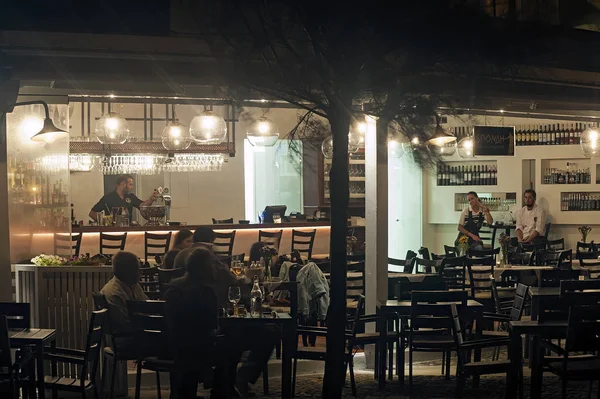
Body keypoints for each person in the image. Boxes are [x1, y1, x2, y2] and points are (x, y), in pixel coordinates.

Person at [165, 247, 226, 398]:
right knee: (230, 349)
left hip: (173, 347)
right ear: (206, 268)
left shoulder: (173, 287)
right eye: (213, 265)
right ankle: (221, 392)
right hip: (198, 348)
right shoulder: (206, 292)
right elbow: (211, 328)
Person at [100, 251, 148, 344]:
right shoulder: (114, 294)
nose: (141, 272)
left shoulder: (132, 285)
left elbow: (146, 305)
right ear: (128, 271)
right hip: (126, 340)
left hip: (134, 335)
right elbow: (125, 325)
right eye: (138, 269)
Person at [89, 174, 158, 223]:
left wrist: (151, 199)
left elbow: (143, 206)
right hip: (112, 232)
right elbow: (92, 213)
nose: (132, 187)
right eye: (130, 184)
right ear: (123, 184)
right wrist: (104, 223)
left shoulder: (131, 196)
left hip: (129, 231)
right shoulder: (108, 198)